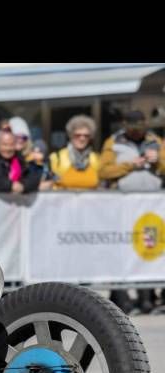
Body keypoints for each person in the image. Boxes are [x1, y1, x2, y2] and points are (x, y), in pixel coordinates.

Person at [98, 110, 165, 315]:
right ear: (125, 126)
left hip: (151, 207)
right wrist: (129, 165)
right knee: (123, 250)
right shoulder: (113, 141)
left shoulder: (155, 140)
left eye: (140, 129)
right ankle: (122, 299)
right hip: (123, 207)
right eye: (133, 129)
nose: (137, 133)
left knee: (148, 249)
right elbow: (103, 171)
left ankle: (147, 299)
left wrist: (158, 162)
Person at [0, 129, 42, 194]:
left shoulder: (18, 157)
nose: (8, 148)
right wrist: (9, 185)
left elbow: (33, 178)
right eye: (5, 145)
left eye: (11, 144)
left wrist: (23, 185)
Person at [49, 115, 100, 190]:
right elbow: (51, 183)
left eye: (86, 136)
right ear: (70, 135)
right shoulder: (56, 157)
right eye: (77, 135)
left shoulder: (96, 158)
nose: (82, 138)